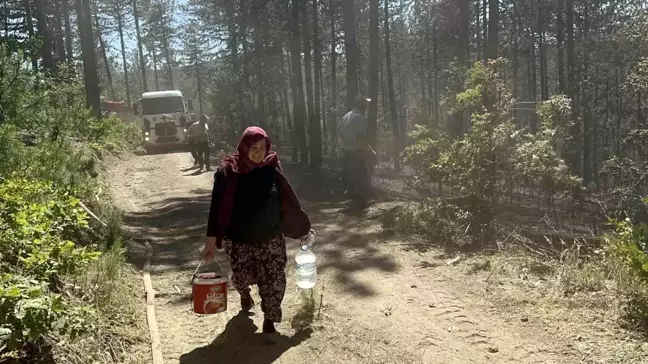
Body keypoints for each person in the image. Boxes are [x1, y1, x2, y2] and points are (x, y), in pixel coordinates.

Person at [202, 126, 311, 336]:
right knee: (242, 277)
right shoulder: (227, 172)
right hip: (239, 240)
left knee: (274, 279)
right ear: (244, 146)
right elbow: (216, 207)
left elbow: (287, 202)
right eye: (253, 146)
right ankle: (244, 294)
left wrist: (301, 229)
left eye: (262, 147)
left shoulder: (271, 168)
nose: (258, 151)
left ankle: (270, 320)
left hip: (270, 239)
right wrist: (210, 239)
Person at [337, 94, 375, 206]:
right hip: (356, 152)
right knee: (361, 176)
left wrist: (345, 142)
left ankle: (354, 198)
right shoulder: (358, 117)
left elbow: (339, 129)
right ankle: (360, 203)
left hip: (348, 151)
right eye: (365, 104)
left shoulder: (347, 115)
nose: (367, 106)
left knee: (355, 175)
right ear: (361, 105)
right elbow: (361, 137)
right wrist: (369, 150)